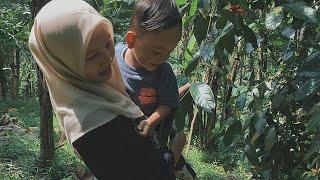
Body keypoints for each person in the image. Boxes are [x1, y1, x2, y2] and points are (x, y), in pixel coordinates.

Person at [28, 0, 186, 179]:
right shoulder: (93, 125)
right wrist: (175, 150)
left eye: (107, 44)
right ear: (65, 63)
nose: (108, 58)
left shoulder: (100, 87)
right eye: (92, 55)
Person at [115, 0, 196, 179]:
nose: (164, 58)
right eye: (157, 52)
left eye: (170, 51)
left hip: (154, 134)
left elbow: (168, 103)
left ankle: (176, 160)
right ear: (131, 40)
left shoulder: (164, 72)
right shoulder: (114, 58)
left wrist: (150, 121)